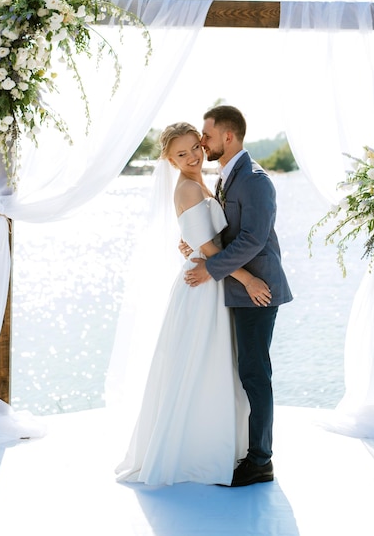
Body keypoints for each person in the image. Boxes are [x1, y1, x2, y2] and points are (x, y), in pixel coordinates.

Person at [115, 122, 272, 486]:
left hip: (214, 278)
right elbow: (208, 248)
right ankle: (194, 451)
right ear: (170, 160)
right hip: (203, 284)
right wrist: (247, 278)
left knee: (216, 363)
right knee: (198, 361)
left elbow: (203, 237)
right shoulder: (186, 188)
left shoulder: (208, 180)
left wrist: (193, 245)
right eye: (181, 154)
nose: (192, 157)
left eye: (195, 148)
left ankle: (219, 444)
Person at [184, 105, 293, 487]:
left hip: (257, 290)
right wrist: (197, 244)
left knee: (254, 372)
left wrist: (210, 269)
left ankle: (261, 460)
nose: (202, 141)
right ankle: (240, 447)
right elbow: (227, 231)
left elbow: (253, 239)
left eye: (207, 135)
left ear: (228, 137)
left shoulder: (257, 180)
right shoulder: (226, 175)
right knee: (243, 371)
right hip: (237, 287)